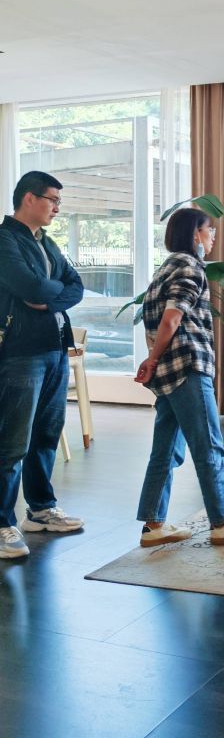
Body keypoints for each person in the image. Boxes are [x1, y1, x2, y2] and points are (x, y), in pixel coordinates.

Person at [134, 207, 224, 548]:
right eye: (210, 230)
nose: (214, 236)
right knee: (209, 448)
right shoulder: (190, 266)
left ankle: (153, 525)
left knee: (165, 450)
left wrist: (154, 359)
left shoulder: (165, 268)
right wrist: (153, 357)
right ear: (196, 235)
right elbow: (172, 318)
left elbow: (160, 320)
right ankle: (222, 524)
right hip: (188, 368)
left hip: (168, 373)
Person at [0, 171, 85, 559]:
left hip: (55, 349)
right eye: (53, 199)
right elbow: (28, 286)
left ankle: (40, 509)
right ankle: (3, 523)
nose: (57, 208)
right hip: (21, 352)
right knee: (13, 442)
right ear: (29, 198)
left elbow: (76, 286)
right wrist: (51, 291)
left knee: (47, 433)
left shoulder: (47, 243)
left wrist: (49, 299)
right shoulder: (5, 239)